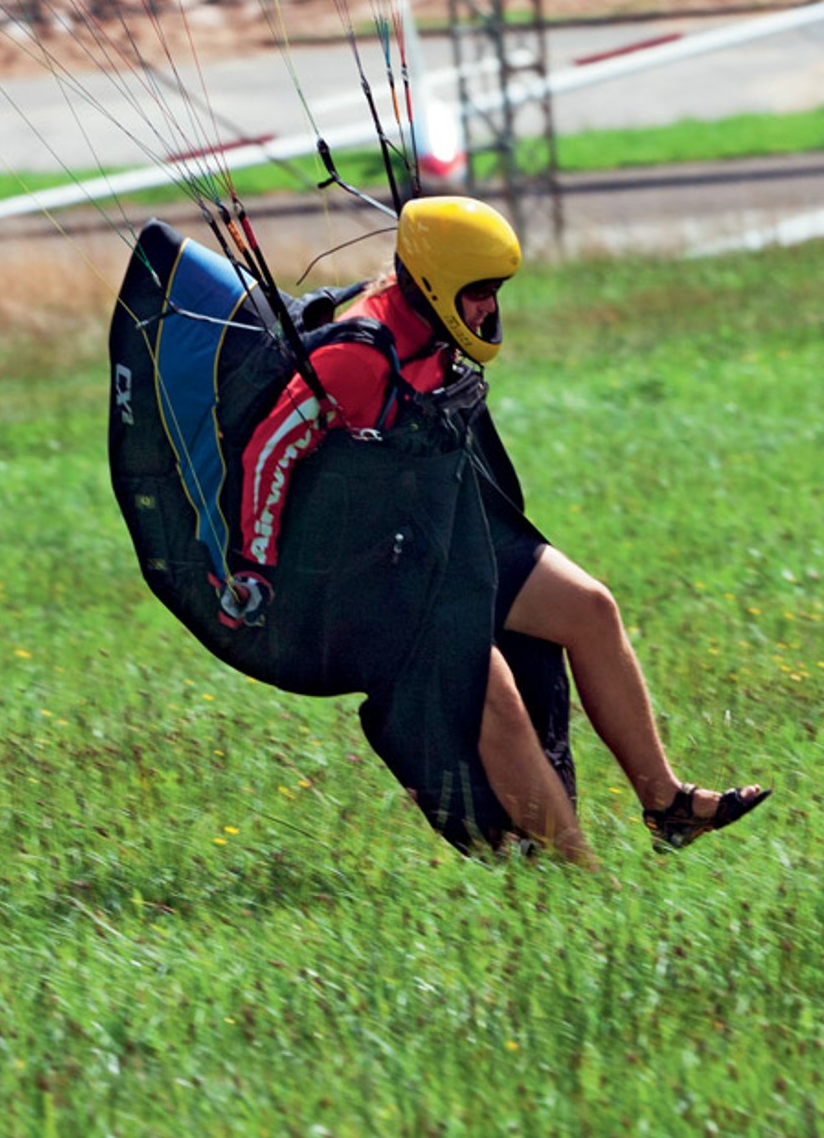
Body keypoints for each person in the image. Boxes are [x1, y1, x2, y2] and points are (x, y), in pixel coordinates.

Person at [232, 196, 770, 864]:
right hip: (374, 576)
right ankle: (582, 877)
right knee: (492, 693)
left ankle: (668, 805)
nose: (489, 308)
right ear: (433, 285)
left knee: (590, 609)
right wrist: (252, 566)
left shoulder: (431, 331)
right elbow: (266, 451)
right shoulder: (357, 355)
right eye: (479, 292)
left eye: (495, 291)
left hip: (443, 539)